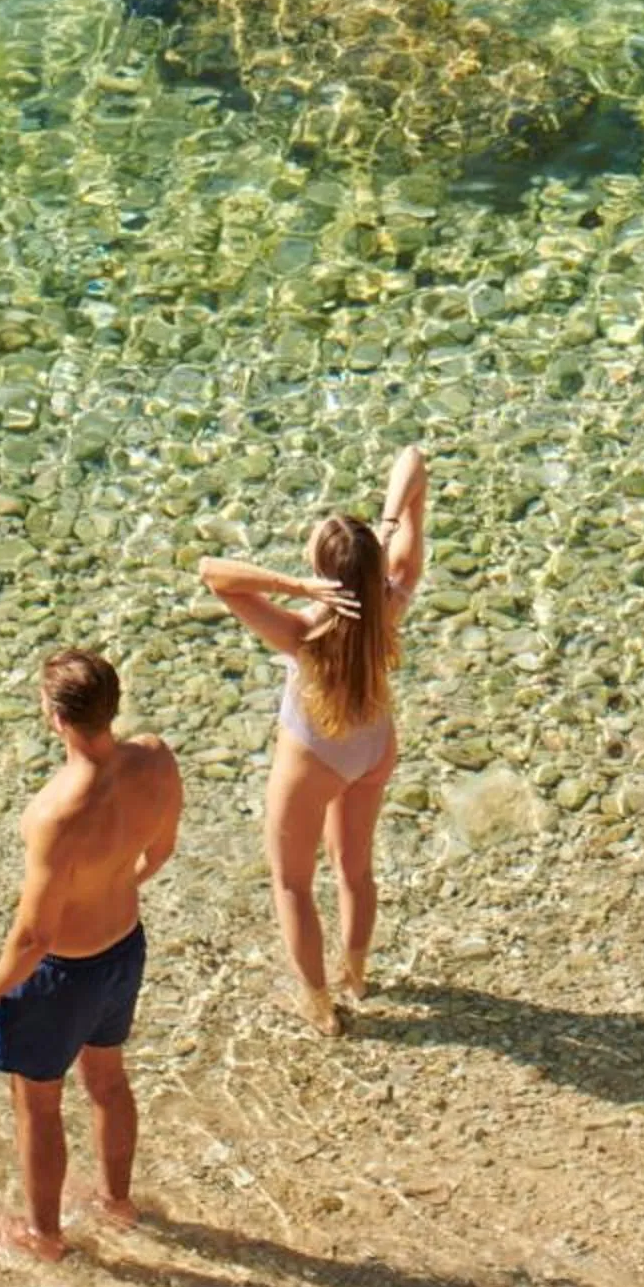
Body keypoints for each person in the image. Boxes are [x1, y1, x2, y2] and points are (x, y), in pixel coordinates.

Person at [198, 444, 427, 1036]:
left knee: (294, 885)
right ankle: (356, 974)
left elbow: (212, 573)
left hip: (315, 760)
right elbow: (413, 461)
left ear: (325, 578)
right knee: (355, 870)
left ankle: (321, 1007)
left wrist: (297, 586)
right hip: (374, 748)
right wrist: (386, 527)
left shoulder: (301, 632)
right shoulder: (392, 602)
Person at [0, 648, 182, 1262]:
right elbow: (159, 852)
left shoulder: (54, 815)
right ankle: (117, 1203)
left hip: (60, 974)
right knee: (108, 1080)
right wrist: (112, 887)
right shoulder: (157, 759)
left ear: (53, 716)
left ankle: (44, 1237)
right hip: (123, 948)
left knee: (38, 1105)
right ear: (114, 704)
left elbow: (33, 937)